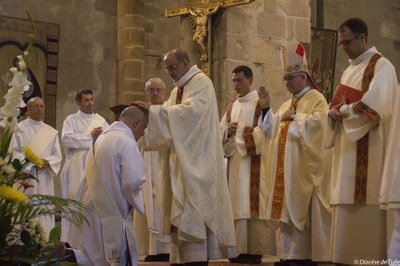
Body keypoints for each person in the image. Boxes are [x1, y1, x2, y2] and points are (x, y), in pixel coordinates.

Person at [132, 48, 235, 265]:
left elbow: (191, 116)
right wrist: (151, 114)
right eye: (167, 68)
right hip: (181, 164)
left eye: (173, 67)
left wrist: (154, 111)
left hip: (198, 163)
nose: (169, 72)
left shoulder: (201, 83)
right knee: (182, 219)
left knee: (193, 215)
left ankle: (196, 259)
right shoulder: (177, 90)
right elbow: (168, 122)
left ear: (186, 63)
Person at [327, 18, 399, 263]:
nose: (344, 48)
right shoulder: (349, 70)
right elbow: (340, 105)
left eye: (347, 42)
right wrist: (332, 113)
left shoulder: (382, 66)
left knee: (368, 243)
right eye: (341, 44)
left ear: (362, 37)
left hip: (372, 159)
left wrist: (344, 111)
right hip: (347, 155)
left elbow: (378, 104)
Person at [258, 43, 331, 263]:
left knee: (299, 210)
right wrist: (266, 108)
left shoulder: (316, 98)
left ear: (304, 77)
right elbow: (268, 131)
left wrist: (296, 118)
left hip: (302, 169)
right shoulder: (287, 103)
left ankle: (301, 255)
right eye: (285, 79)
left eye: (291, 78)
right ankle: (285, 255)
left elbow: (321, 125)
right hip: (284, 171)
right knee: (284, 211)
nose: (287, 83)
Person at [68, 106, 147, 266]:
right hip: (113, 215)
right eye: (143, 129)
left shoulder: (101, 139)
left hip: (93, 209)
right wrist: (138, 203)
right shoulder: (126, 142)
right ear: (137, 123)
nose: (142, 134)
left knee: (93, 258)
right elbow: (133, 181)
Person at [220, 65, 276, 263]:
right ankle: (237, 250)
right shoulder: (230, 107)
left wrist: (241, 130)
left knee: (250, 204)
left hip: (254, 165)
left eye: (240, 80)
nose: (236, 84)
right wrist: (227, 132)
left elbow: (267, 133)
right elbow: (220, 133)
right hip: (235, 163)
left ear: (250, 80)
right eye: (234, 80)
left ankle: (253, 251)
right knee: (236, 204)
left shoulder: (259, 104)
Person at [59, 89, 109, 242]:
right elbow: (66, 139)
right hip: (75, 166)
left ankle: (90, 240)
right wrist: (90, 136)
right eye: (86, 100)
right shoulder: (71, 120)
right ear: (78, 102)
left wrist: (99, 138)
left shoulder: (101, 120)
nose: (90, 103)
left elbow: (107, 141)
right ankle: (69, 239)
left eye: (92, 100)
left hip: (94, 165)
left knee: (91, 203)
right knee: (73, 201)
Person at [11, 97, 62, 235]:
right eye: (36, 106)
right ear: (28, 109)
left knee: (44, 208)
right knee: (26, 208)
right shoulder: (18, 129)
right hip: (26, 177)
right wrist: (30, 162)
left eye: (42, 106)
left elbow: (57, 155)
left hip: (45, 177)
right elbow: (13, 152)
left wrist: (47, 162)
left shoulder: (51, 132)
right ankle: (23, 241)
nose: (40, 109)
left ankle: (45, 240)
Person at [134, 78, 170, 262]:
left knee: (164, 203)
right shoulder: (141, 114)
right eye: (151, 90)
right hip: (147, 162)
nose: (155, 93)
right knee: (149, 203)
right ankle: (152, 248)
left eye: (158, 90)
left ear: (164, 91)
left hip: (166, 162)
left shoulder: (171, 110)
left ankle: (167, 248)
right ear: (146, 93)